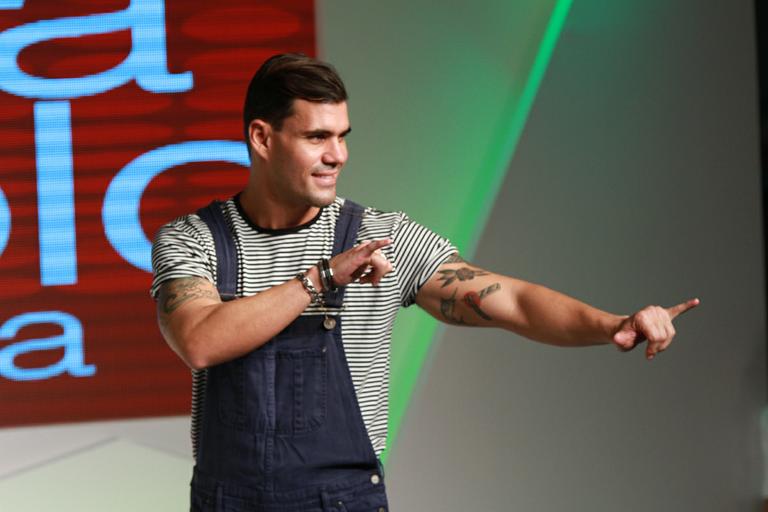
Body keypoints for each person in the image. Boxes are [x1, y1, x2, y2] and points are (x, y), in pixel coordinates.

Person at [150, 53, 698, 512]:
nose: (336, 155)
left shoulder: (380, 235)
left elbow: (511, 301)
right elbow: (200, 341)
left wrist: (611, 325)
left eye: (342, 136)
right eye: (316, 137)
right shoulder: (194, 240)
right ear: (262, 138)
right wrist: (324, 277)